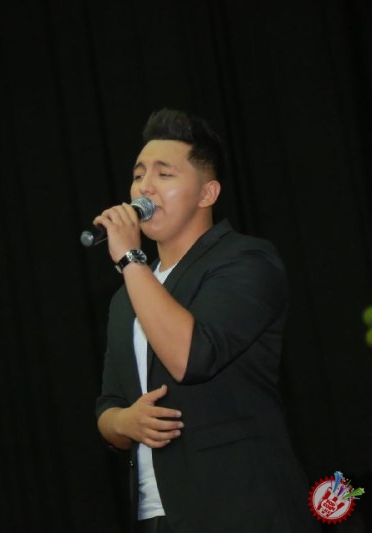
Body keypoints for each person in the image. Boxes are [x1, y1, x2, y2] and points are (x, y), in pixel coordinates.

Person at [93, 109, 319, 532]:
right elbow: (108, 405)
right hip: (157, 516)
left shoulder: (246, 260)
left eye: (164, 174)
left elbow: (191, 356)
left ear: (207, 193)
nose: (144, 187)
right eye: (139, 175)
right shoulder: (127, 296)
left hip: (241, 508)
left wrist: (130, 258)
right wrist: (124, 423)